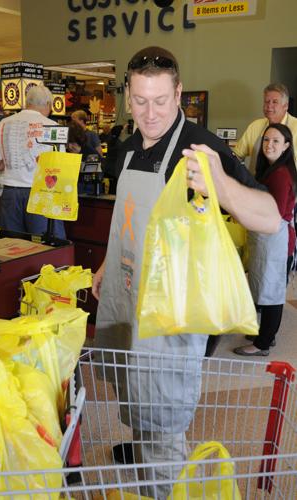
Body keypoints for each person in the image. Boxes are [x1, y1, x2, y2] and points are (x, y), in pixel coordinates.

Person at [92, 46, 280, 496]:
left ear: (179, 93)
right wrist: (106, 263)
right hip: (127, 290)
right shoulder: (128, 145)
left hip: (171, 312)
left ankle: (161, 484)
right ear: (127, 96)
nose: (150, 113)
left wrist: (223, 186)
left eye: (160, 101)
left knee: (163, 411)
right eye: (139, 101)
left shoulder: (201, 148)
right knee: (133, 393)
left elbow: (271, 217)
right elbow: (131, 213)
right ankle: (143, 457)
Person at [234, 124, 297, 357]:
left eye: (276, 141)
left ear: (286, 146)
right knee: (264, 286)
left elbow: (275, 213)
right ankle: (264, 334)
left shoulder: (280, 174)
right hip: (268, 240)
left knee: (272, 294)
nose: (269, 145)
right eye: (267, 140)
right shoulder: (272, 169)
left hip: (276, 241)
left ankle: (263, 343)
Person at [0, 85, 66, 238]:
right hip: (41, 193)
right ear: (48, 104)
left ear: (27, 102)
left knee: (11, 247)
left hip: (10, 194)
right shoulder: (53, 126)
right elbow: (59, 167)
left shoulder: (4, 123)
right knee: (45, 245)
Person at [234, 83, 297, 173]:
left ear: (285, 106)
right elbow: (236, 155)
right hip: (255, 185)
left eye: (275, 102)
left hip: (286, 186)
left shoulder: (295, 127)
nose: (269, 106)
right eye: (267, 101)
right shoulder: (255, 126)